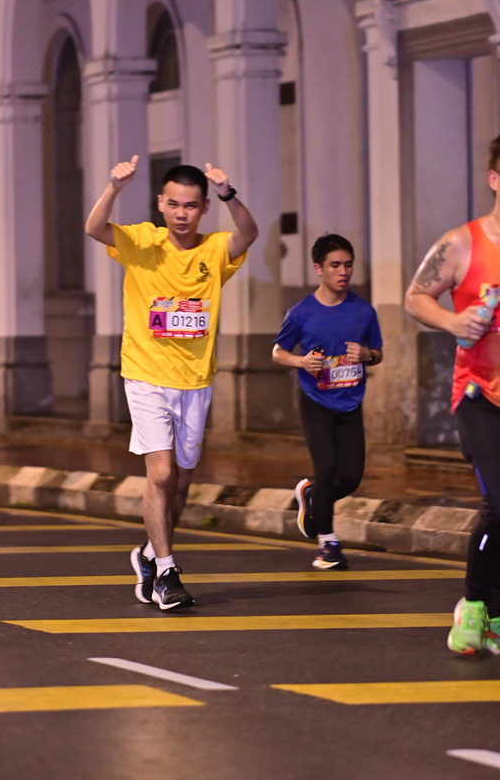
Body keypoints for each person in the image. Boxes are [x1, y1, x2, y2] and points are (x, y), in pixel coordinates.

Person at [85, 156, 258, 610]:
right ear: (161, 203)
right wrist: (113, 187)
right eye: (174, 204)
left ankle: (148, 554)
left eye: (191, 205)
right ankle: (166, 572)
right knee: (160, 475)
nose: (182, 214)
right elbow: (94, 227)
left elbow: (249, 233)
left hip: (195, 381)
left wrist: (228, 193)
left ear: (204, 208)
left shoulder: (214, 249)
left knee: (179, 484)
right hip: (146, 375)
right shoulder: (143, 241)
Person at [405, 137, 500, 656]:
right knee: (499, 503)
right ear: (494, 179)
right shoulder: (462, 243)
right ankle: (475, 603)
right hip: (480, 395)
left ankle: (497, 614)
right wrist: (452, 321)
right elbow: (415, 296)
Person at [272, 234, 383, 570]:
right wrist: (301, 361)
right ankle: (328, 544)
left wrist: (367, 355)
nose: (343, 271)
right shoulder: (301, 312)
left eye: (348, 265)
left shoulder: (363, 311)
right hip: (315, 399)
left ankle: (312, 496)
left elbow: (378, 353)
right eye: (335, 265)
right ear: (318, 268)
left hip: (350, 401)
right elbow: (277, 352)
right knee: (327, 468)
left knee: (350, 477)